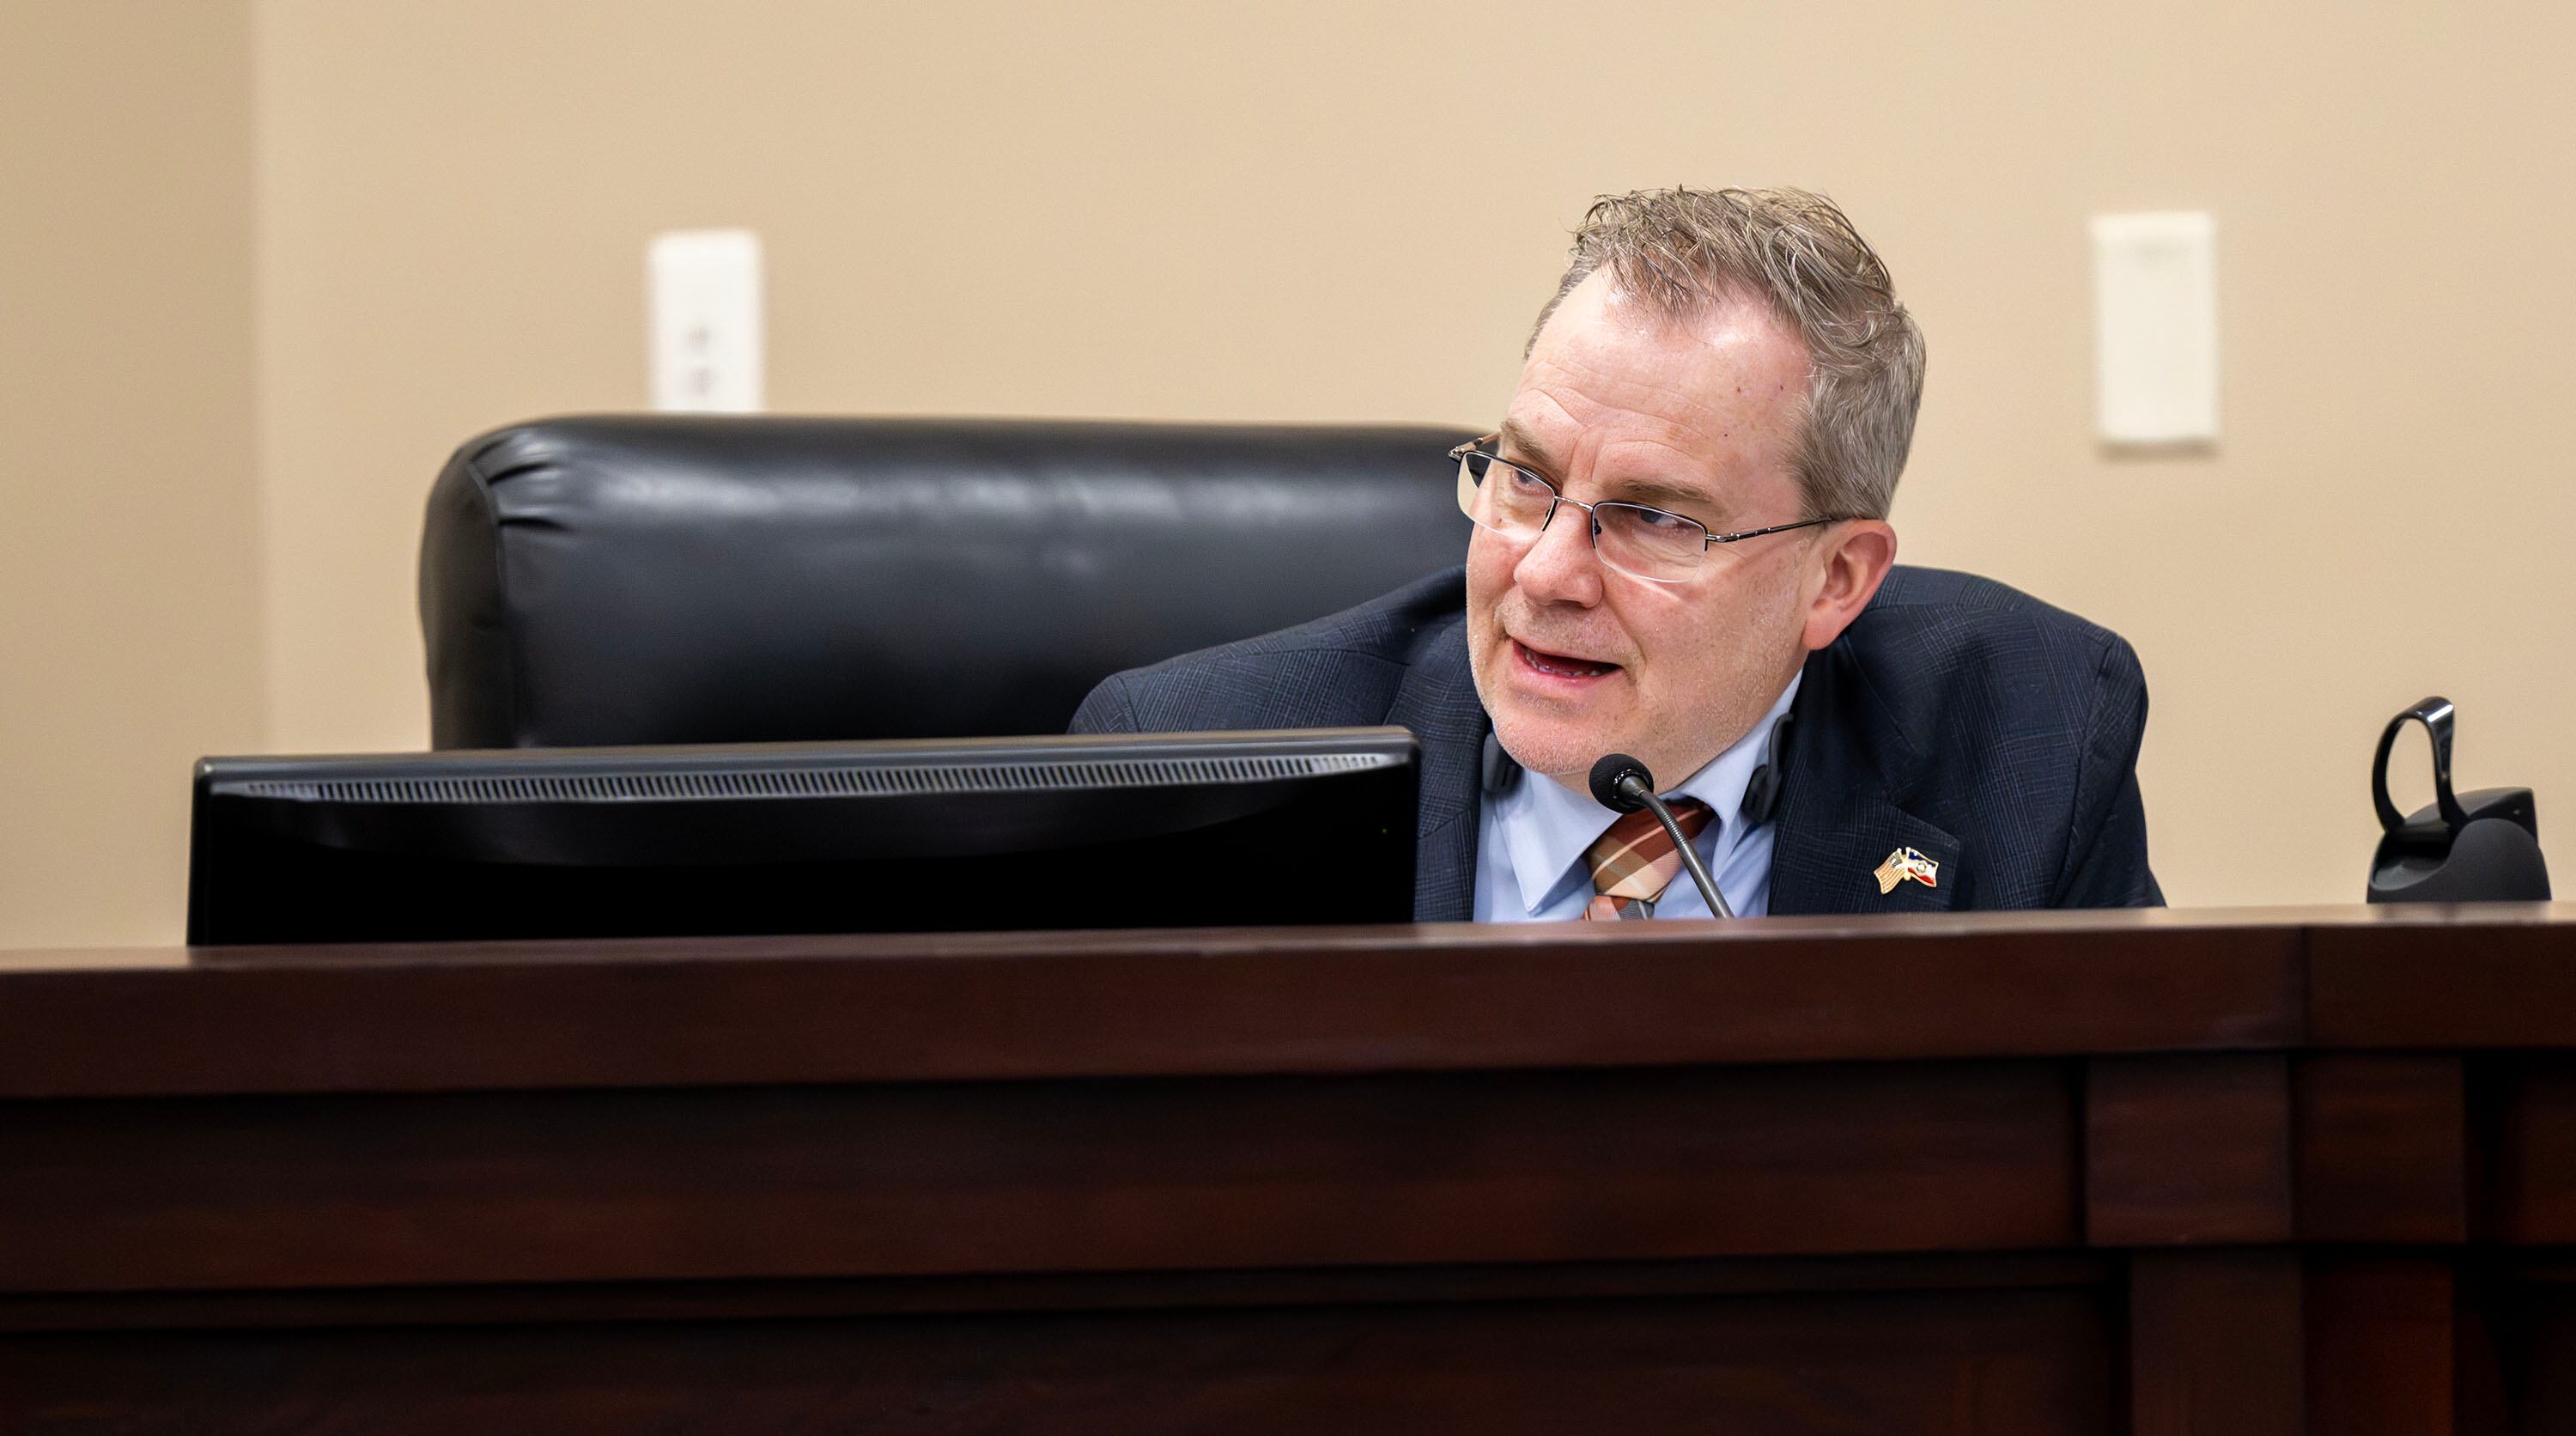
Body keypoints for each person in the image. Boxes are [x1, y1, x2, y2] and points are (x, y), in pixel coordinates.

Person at [1072, 186, 2160, 920]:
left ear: (1836, 581)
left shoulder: (2032, 733)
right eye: (1525, 477)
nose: (1544, 574)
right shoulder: (1188, 766)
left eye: (1656, 519)